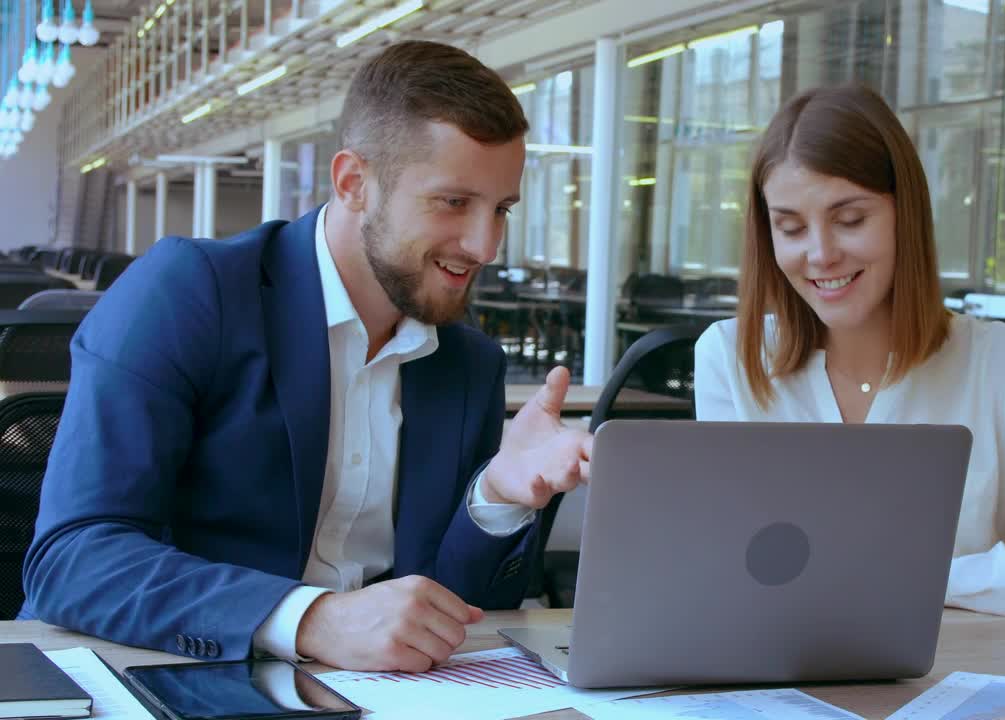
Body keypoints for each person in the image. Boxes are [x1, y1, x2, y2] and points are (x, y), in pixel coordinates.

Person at [20, 41, 592, 672]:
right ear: (354, 184)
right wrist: (310, 617)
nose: (486, 245)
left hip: (371, 698)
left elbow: (454, 609)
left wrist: (498, 496)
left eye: (501, 209)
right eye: (454, 202)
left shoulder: (467, 361)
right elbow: (74, 558)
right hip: (174, 675)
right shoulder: (191, 293)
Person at [694, 83, 1005, 627]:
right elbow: (729, 567)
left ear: (906, 216)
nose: (821, 254)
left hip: (951, 686)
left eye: (850, 219)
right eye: (791, 228)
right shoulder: (731, 358)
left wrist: (914, 576)